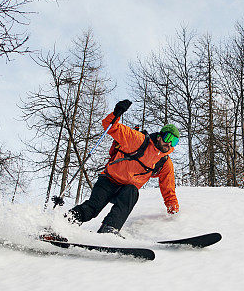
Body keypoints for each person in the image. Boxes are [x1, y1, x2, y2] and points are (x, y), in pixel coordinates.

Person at [65, 99, 179, 235]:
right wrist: (116, 113)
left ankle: (109, 229)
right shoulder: (138, 140)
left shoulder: (165, 162)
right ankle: (62, 224)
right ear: (159, 137)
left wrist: (173, 210)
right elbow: (110, 126)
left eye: (175, 141)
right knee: (92, 209)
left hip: (126, 190)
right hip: (109, 180)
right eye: (168, 138)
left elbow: (168, 187)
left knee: (132, 191)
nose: (169, 144)